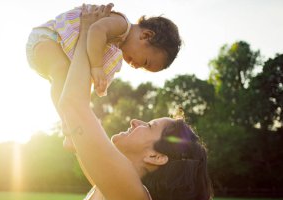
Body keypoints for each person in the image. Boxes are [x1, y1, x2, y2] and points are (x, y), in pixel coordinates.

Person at [51, 4, 213, 200]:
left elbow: (73, 105)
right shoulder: (118, 187)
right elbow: (73, 127)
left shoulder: (132, 197)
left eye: (148, 125)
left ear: (156, 156)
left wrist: (86, 32)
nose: (134, 121)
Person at [26, 3, 181, 150]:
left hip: (58, 49)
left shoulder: (115, 47)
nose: (137, 66)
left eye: (143, 69)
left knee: (75, 86)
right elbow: (95, 30)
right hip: (49, 38)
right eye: (145, 62)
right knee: (61, 71)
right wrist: (97, 67)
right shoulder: (121, 24)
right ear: (146, 35)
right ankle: (68, 124)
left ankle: (72, 128)